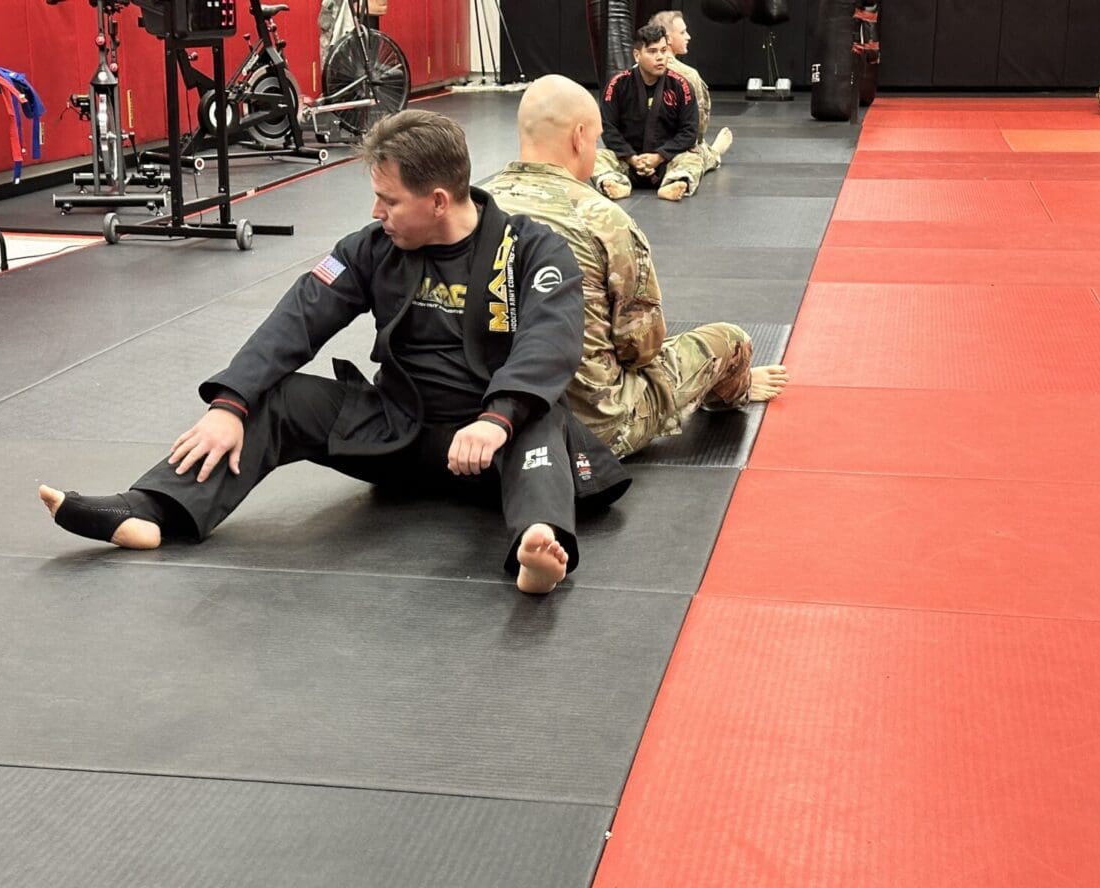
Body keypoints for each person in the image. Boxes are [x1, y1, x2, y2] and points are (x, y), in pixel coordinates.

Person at [38, 110, 630, 595]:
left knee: (539, 422)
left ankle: (538, 547)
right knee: (281, 397)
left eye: (389, 201)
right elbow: (298, 319)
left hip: (494, 445)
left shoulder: (530, 248)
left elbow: (550, 340)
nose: (377, 213)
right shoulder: (371, 248)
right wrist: (231, 402)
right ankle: (155, 507)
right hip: (401, 431)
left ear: (439, 201)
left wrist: (497, 419)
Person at [484, 76, 789, 457]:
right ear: (579, 137)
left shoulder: (475, 207)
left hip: (490, 414)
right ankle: (733, 390)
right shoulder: (600, 218)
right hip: (592, 424)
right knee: (731, 341)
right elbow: (641, 347)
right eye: (595, 141)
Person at [592, 23, 699, 202]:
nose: (660, 57)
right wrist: (632, 158)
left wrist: (659, 156)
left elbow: (689, 131)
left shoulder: (681, 85)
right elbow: (608, 128)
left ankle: (674, 183)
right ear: (637, 55)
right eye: (652, 51)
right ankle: (614, 183)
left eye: (664, 50)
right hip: (628, 162)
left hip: (666, 163)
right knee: (598, 156)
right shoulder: (618, 84)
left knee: (692, 159)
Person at [646, 9, 733, 201]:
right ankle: (713, 154)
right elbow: (697, 129)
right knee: (695, 154)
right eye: (683, 32)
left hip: (642, 152)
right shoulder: (688, 76)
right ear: (668, 39)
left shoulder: (635, 71)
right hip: (676, 150)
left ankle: (615, 180)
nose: (688, 36)